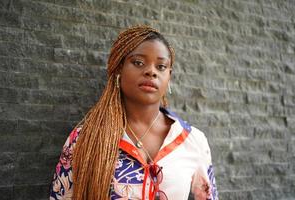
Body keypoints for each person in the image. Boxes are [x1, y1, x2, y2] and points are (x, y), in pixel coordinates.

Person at [49, 25, 218, 200]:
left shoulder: (193, 140)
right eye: (138, 62)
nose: (151, 71)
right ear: (118, 69)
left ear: (169, 76)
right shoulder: (85, 139)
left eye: (161, 66)